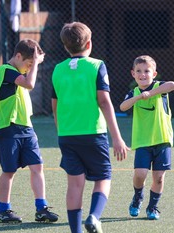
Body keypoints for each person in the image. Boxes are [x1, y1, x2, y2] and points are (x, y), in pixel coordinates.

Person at [51, 22, 129, 233]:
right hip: (93, 133)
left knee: (74, 184)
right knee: (104, 177)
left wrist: (61, 131)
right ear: (89, 43)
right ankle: (94, 217)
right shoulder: (97, 65)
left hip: (67, 135)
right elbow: (104, 101)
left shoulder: (57, 69)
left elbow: (54, 105)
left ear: (65, 46)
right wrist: (117, 138)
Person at [0, 39, 59, 223]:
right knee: (9, 171)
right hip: (7, 127)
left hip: (26, 127)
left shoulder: (19, 72)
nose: (30, 68)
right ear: (18, 56)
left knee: (37, 166)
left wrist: (34, 61)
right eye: (29, 63)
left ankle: (41, 208)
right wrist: (36, 62)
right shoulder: (4, 70)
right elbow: (30, 84)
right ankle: (4, 210)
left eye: (32, 64)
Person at [120, 55, 174, 220]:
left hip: (162, 140)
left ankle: (152, 208)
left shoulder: (160, 88)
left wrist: (150, 93)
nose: (142, 74)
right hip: (143, 142)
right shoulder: (133, 93)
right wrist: (139, 96)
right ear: (133, 74)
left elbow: (172, 85)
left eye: (147, 71)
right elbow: (123, 107)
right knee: (140, 174)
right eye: (139, 71)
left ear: (154, 73)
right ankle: (137, 198)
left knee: (158, 178)